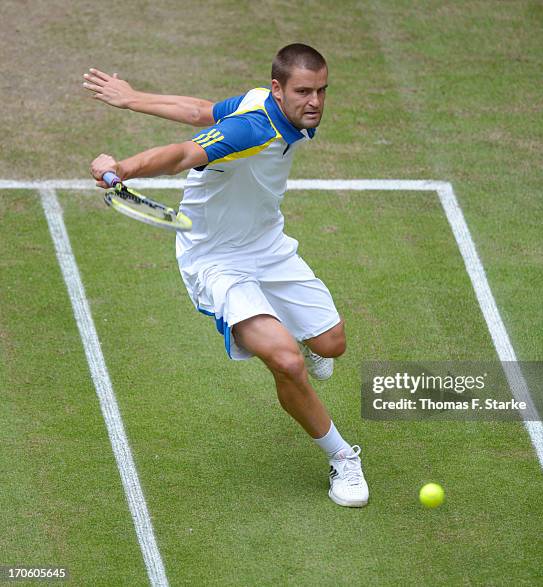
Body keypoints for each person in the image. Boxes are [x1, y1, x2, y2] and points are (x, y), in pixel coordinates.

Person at [85, 43, 369, 507]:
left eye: (321, 90)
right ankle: (342, 458)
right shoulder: (251, 127)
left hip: (267, 245)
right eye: (303, 91)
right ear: (279, 89)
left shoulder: (266, 103)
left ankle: (304, 339)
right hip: (216, 261)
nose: (315, 102)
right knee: (287, 362)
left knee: (331, 344)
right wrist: (123, 168)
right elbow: (181, 154)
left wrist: (132, 97)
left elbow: (201, 110)